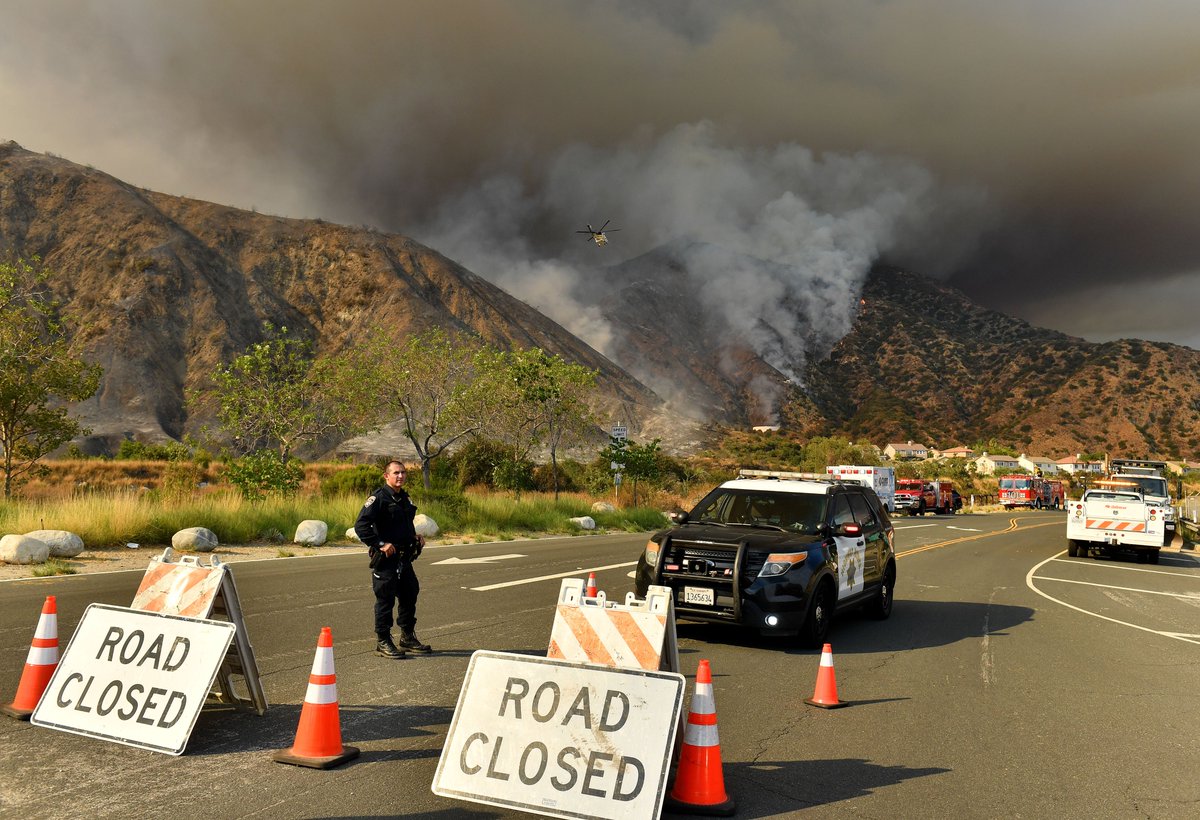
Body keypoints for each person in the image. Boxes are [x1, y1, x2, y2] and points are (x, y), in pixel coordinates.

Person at [354, 461, 431, 659]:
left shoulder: (403, 497)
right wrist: (380, 543)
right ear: (386, 476)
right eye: (396, 473)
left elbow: (404, 524)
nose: (400, 476)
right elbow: (361, 526)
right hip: (387, 560)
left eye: (403, 472)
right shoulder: (378, 498)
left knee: (409, 594)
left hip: (404, 559)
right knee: (385, 600)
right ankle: (383, 641)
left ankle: (407, 637)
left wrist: (414, 537)